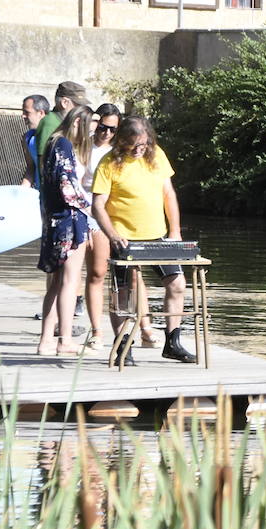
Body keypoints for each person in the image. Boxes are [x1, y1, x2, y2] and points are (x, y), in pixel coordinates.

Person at [91, 116, 196, 364]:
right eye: (133, 145)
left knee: (177, 283)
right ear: (122, 142)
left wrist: (175, 230)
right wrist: (113, 236)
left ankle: (172, 341)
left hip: (156, 235)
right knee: (123, 295)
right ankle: (123, 348)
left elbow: (168, 193)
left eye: (143, 144)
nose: (140, 149)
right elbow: (97, 205)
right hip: (125, 239)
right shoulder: (109, 164)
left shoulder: (156, 154)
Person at [35, 104, 94, 356]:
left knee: (57, 283)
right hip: (69, 220)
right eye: (88, 129)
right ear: (78, 122)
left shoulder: (51, 143)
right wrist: (88, 211)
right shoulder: (65, 145)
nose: (88, 137)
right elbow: (66, 185)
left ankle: (46, 341)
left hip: (53, 220)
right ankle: (65, 340)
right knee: (71, 280)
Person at [78, 103, 120, 352]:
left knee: (127, 277)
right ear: (96, 124)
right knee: (96, 273)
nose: (106, 133)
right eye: (103, 127)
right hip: (89, 213)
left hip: (116, 215)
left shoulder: (119, 151)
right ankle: (96, 331)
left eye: (113, 130)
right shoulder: (84, 147)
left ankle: (141, 328)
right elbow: (78, 186)